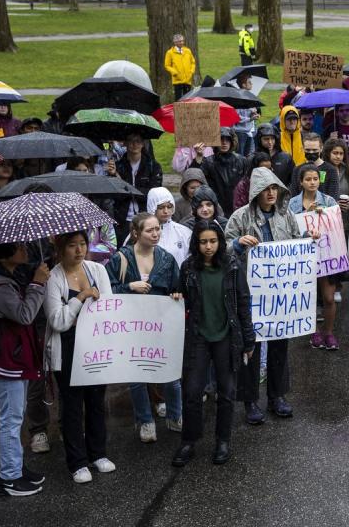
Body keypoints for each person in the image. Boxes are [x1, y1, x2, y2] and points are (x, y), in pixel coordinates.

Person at [172, 220, 254, 468]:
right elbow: (180, 298)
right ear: (196, 244)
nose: (208, 246)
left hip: (226, 337)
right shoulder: (187, 268)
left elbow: (243, 302)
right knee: (192, 392)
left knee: (227, 392)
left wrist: (248, 339)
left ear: (220, 242)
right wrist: (177, 295)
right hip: (198, 336)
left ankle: (223, 440)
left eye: (213, 241)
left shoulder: (232, 265)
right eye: (203, 242)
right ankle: (189, 440)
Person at [225, 167, 301, 424]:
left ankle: (277, 396)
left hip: (281, 293)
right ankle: (250, 401)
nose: (271, 193)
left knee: (280, 345)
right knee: (251, 347)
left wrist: (308, 241)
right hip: (251, 293)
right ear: (256, 192)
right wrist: (237, 244)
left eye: (274, 188)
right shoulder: (239, 217)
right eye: (266, 189)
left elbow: (297, 243)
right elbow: (223, 250)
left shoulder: (286, 214)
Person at [44, 231, 114, 484]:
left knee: (96, 401)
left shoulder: (97, 269)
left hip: (95, 347)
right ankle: (77, 462)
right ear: (61, 249)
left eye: (82, 244)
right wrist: (81, 298)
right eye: (72, 245)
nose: (79, 250)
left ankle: (98, 453)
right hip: (67, 349)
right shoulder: (53, 277)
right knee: (72, 407)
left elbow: (109, 308)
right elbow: (58, 321)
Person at [106, 213, 183, 443]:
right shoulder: (120, 259)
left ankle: (175, 415)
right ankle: (145, 421)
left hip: (161, 325)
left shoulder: (167, 259)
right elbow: (107, 291)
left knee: (170, 375)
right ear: (136, 233)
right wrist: (129, 286)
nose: (156, 233)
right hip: (132, 327)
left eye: (158, 229)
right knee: (137, 377)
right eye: (150, 230)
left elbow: (176, 287)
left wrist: (177, 293)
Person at [0, 242, 48, 497]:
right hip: (7, 361)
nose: (25, 250)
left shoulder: (12, 276)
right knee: (11, 418)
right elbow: (25, 314)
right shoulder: (0, 285)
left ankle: (14, 466)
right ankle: (9, 477)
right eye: (18, 247)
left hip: (17, 357)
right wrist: (37, 285)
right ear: (5, 253)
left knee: (16, 414)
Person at [288, 164, 342, 350]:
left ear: (320, 180)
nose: (312, 182)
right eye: (308, 179)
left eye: (315, 179)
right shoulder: (293, 204)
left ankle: (328, 332)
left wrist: (324, 214)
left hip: (327, 255)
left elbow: (337, 226)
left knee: (328, 297)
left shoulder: (329, 201)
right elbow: (290, 229)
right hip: (304, 257)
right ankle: (314, 332)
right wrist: (306, 214)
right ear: (301, 182)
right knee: (309, 297)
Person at [109, 131, 164, 244]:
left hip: (145, 218)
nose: (134, 144)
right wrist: (113, 176)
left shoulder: (153, 166)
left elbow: (153, 194)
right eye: (130, 141)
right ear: (125, 143)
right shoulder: (118, 166)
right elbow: (115, 195)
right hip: (123, 219)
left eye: (138, 141)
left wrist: (127, 188)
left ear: (143, 144)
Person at [194, 128, 246, 218]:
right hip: (216, 206)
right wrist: (198, 157)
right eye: (221, 139)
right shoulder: (208, 162)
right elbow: (194, 177)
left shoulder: (241, 161)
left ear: (232, 142)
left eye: (227, 140)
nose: (224, 143)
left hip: (238, 206)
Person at [146, 187, 192, 267]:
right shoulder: (142, 232)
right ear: (152, 207)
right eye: (161, 207)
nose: (166, 211)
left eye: (169, 206)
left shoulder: (183, 232)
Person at [164, 33, 196, 100]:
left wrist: (191, 71)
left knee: (188, 98)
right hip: (177, 80)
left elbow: (193, 62)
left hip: (188, 79)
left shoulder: (188, 51)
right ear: (175, 42)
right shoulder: (170, 53)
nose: (182, 42)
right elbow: (167, 65)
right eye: (180, 41)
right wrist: (175, 72)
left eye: (182, 41)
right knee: (178, 99)